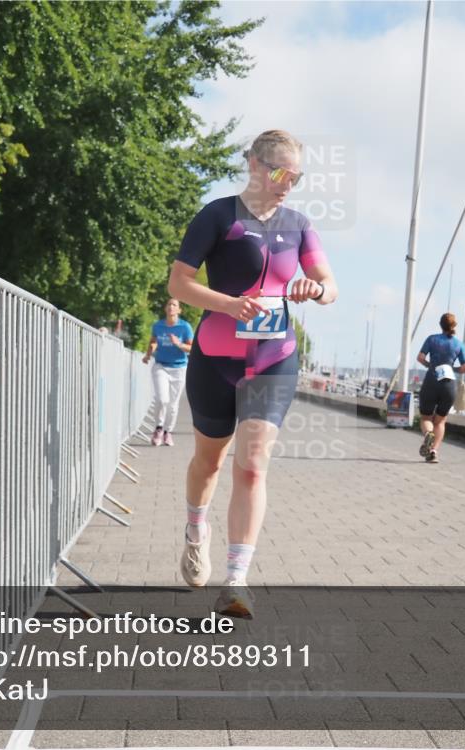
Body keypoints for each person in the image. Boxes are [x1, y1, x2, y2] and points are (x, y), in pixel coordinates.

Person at [167, 129, 337, 617]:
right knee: (210, 463)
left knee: (253, 463)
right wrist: (228, 305)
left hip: (274, 359)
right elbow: (180, 282)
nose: (289, 184)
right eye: (282, 172)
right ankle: (196, 528)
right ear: (255, 166)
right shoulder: (218, 216)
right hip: (215, 358)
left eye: (298, 176)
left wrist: (315, 290)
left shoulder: (300, 224)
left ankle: (236, 580)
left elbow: (331, 286)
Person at [416, 312, 465, 464]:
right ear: (454, 326)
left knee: (426, 417)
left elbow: (420, 357)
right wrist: (452, 369)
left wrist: (429, 365)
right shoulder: (459, 344)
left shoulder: (432, 339)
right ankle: (433, 452)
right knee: (440, 421)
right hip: (449, 384)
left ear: (441, 325)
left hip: (431, 380)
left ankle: (428, 433)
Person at [143, 299, 194, 446]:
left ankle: (168, 432)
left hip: (179, 368)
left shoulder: (185, 327)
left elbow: (192, 348)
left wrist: (178, 344)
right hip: (161, 366)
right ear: (165, 308)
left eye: (174, 305)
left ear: (179, 310)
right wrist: (149, 353)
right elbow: (153, 341)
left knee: (173, 403)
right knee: (162, 399)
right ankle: (158, 428)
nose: (171, 307)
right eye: (169, 304)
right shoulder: (158, 326)